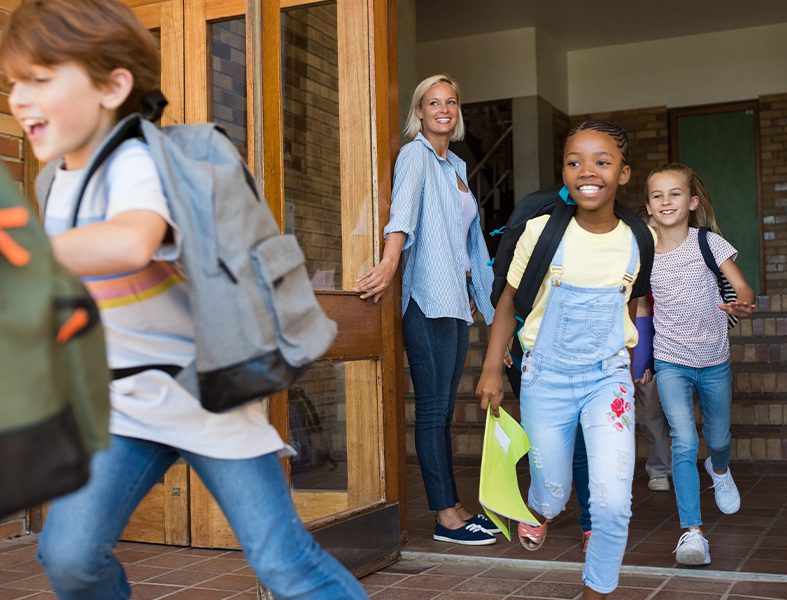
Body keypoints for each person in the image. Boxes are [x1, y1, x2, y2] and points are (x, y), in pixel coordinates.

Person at [1, 2, 367, 598]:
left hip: (205, 396)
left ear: (113, 86)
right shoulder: (54, 181)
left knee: (282, 563)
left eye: (40, 80)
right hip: (123, 402)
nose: (19, 98)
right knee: (67, 555)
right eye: (13, 83)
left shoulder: (137, 160)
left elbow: (131, 239)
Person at [478, 120, 647, 599]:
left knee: (614, 500)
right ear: (564, 172)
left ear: (624, 173)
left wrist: (633, 365)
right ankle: (538, 505)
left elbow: (631, 303)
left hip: (607, 380)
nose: (586, 171)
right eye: (574, 162)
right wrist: (493, 368)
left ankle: (598, 588)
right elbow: (508, 302)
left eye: (602, 161)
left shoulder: (638, 239)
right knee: (552, 493)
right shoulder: (541, 232)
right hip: (544, 376)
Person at [354, 74, 497, 546]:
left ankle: (453, 506)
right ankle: (446, 517)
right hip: (427, 299)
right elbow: (403, 211)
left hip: (455, 301)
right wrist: (390, 261)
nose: (443, 109)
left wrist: (489, 309)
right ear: (418, 112)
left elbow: (471, 242)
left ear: (457, 112)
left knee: (445, 411)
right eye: (433, 103)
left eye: (450, 102)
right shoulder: (415, 155)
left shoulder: (454, 163)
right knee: (434, 411)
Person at [644, 162, 757, 566]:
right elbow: (640, 305)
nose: (666, 201)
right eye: (658, 195)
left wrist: (744, 300)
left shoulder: (708, 242)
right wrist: (641, 356)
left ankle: (720, 468)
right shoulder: (643, 251)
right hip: (670, 360)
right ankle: (692, 532)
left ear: (691, 202)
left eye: (675, 194)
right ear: (649, 206)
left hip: (714, 360)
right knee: (684, 440)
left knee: (719, 437)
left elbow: (741, 284)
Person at [573, 288, 671, 555]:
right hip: (612, 344)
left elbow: (652, 312)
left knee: (650, 411)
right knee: (612, 421)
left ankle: (659, 468)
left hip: (644, 334)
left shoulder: (644, 268)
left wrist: (649, 358)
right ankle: (616, 479)